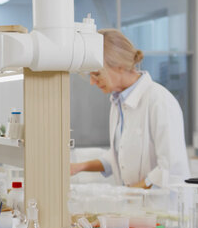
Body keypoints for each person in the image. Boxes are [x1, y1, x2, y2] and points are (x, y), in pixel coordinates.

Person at [70, 29, 190, 188]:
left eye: (97, 74)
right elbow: (119, 156)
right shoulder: (117, 102)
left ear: (119, 66)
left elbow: (169, 169)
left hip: (163, 206)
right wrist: (79, 167)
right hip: (137, 207)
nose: (92, 82)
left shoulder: (158, 100)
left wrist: (127, 194)